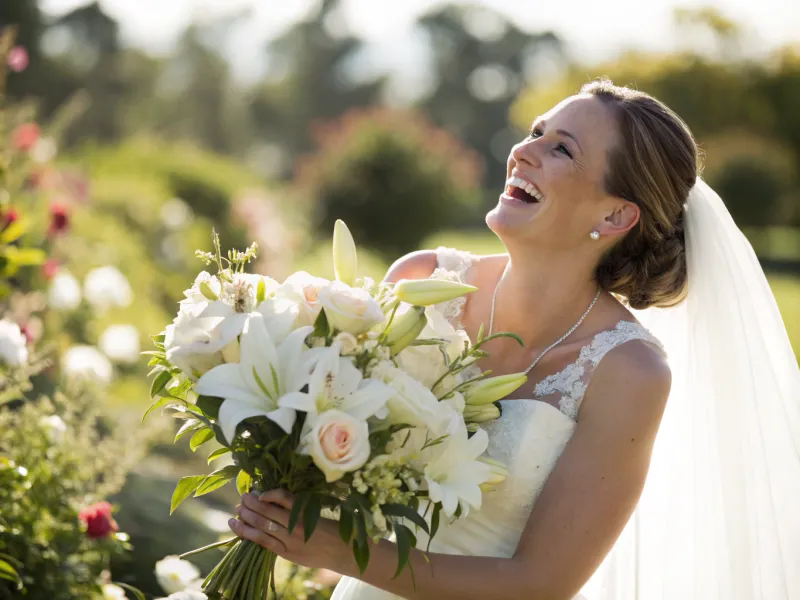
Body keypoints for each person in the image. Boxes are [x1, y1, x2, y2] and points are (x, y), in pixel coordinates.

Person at [228, 79, 800, 600]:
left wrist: (340, 551)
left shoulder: (628, 372)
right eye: (535, 133)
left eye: (562, 149)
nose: (523, 151)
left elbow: (539, 583)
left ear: (616, 216)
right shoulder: (420, 282)